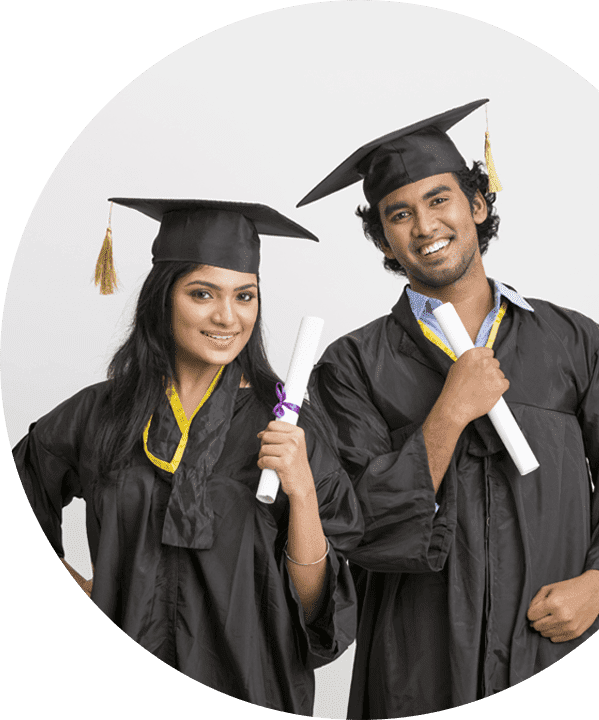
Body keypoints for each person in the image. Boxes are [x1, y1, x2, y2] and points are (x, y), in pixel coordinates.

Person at [297, 100, 599, 718]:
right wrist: (448, 413)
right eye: (400, 214)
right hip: (419, 663)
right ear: (383, 238)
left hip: (553, 649)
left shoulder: (574, 342)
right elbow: (356, 524)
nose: (424, 226)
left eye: (439, 200)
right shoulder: (352, 366)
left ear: (476, 204)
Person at [13, 198, 363, 715]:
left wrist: (303, 490)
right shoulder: (99, 414)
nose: (227, 316)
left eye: (245, 296)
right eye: (203, 294)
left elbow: (317, 611)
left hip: (253, 687)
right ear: (163, 299)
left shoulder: (288, 424)